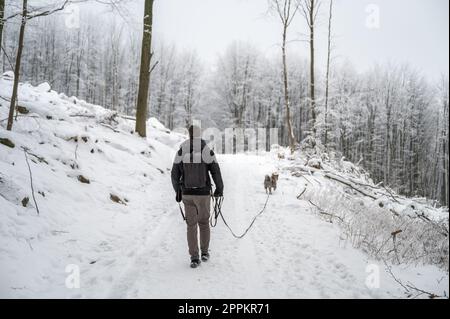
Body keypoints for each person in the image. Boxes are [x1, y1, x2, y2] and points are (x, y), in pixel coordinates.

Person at [171, 125, 224, 268]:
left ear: (189, 135)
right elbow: (215, 171)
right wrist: (219, 188)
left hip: (187, 194)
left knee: (191, 226)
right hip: (203, 194)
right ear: (200, 135)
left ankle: (194, 257)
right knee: (204, 223)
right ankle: (205, 253)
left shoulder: (182, 151)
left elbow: (174, 174)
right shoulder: (206, 150)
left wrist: (178, 191)